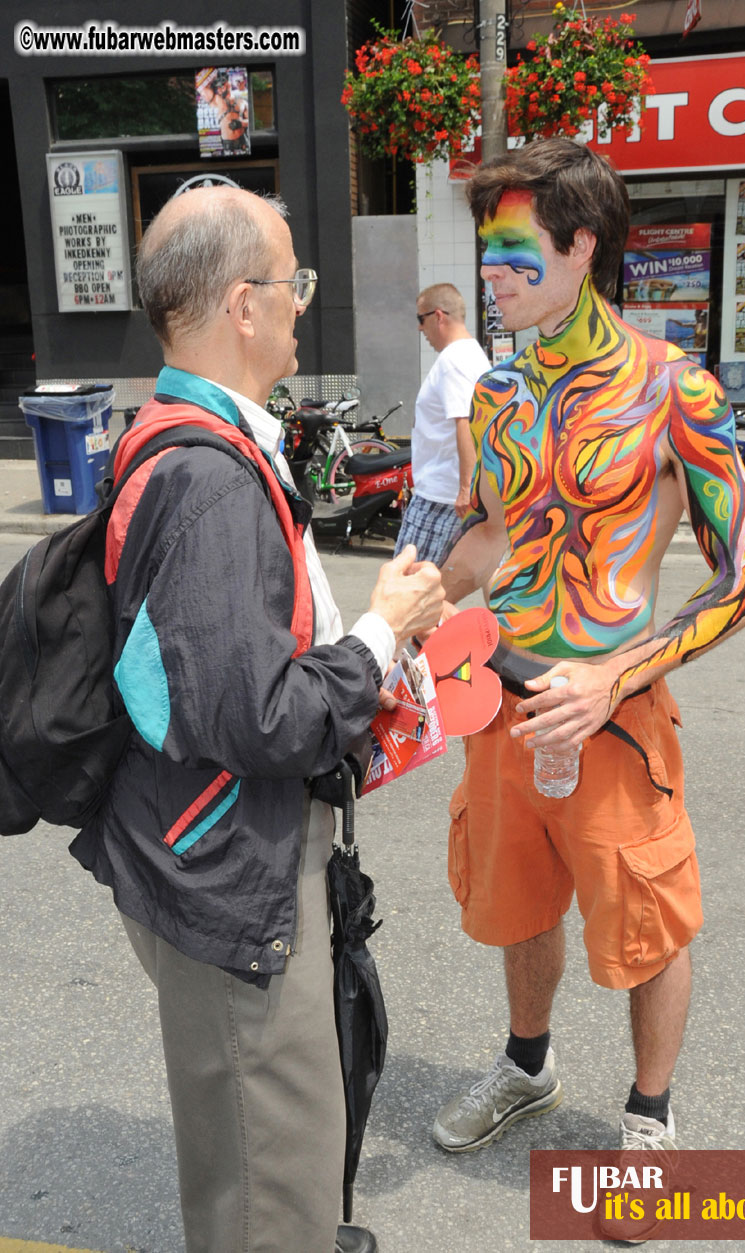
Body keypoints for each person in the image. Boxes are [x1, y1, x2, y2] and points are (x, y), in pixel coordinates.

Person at [68, 186, 444, 1253]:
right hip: (233, 876)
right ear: (242, 304)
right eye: (292, 282)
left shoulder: (175, 440)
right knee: (270, 1194)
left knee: (268, 1163)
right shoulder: (212, 480)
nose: (301, 303)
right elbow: (263, 719)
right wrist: (380, 632)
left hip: (200, 845)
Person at [431, 140, 745, 1171]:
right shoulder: (494, 394)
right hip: (501, 702)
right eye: (486, 251)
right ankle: (526, 1065)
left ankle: (649, 1116)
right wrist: (415, 607)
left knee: (647, 921)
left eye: (512, 250)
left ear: (581, 246)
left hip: (614, 714)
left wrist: (613, 677)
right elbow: (492, 535)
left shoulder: (674, 390)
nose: (491, 273)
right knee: (516, 902)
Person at [394, 283, 490, 565]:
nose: (419, 329)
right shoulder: (474, 354)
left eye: (420, 319)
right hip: (455, 493)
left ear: (438, 316)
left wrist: (465, 488)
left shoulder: (454, 361)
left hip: (440, 496)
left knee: (405, 579)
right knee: (464, 576)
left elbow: (465, 422)